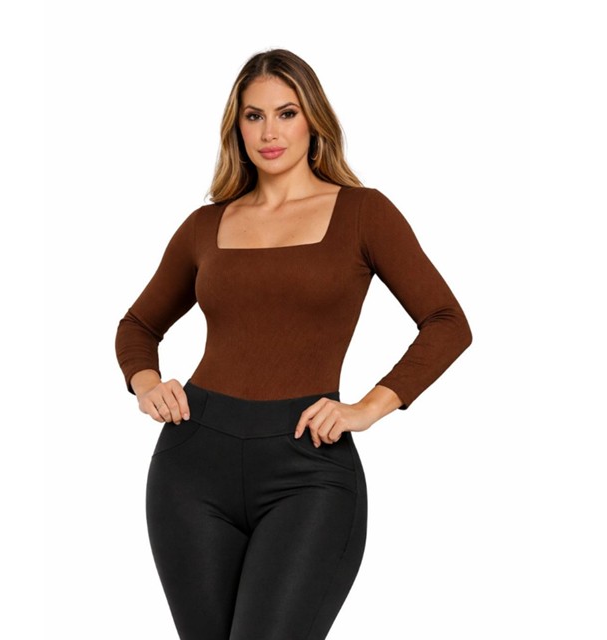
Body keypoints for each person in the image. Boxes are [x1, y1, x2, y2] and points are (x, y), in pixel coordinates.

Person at [115, 48, 472, 640]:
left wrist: (369, 407)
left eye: (286, 113)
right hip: (191, 467)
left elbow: (446, 321)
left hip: (308, 469)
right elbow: (137, 325)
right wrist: (146, 383)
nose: (269, 132)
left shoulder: (363, 213)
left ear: (314, 121)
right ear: (237, 127)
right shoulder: (207, 224)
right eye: (253, 116)